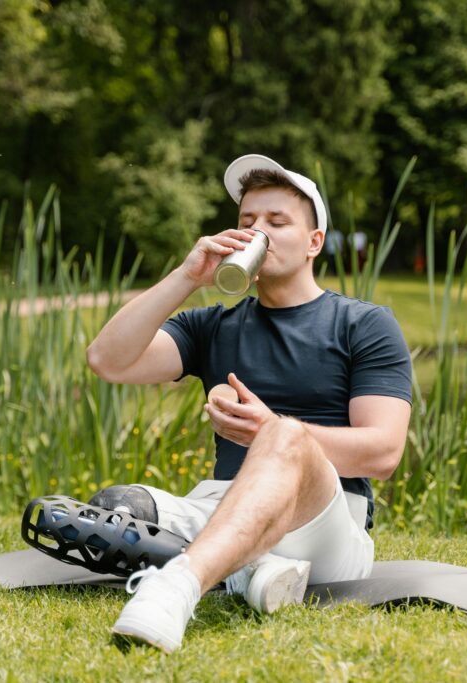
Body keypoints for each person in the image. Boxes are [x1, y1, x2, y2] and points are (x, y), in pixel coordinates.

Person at [85, 153, 413, 653]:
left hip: (325, 525)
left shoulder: (363, 324)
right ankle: (254, 572)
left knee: (286, 433)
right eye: (247, 221)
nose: (257, 231)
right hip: (222, 504)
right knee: (116, 509)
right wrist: (187, 277)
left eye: (276, 222)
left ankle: (178, 587)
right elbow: (107, 360)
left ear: (313, 243)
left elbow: (384, 453)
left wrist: (272, 432)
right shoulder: (212, 325)